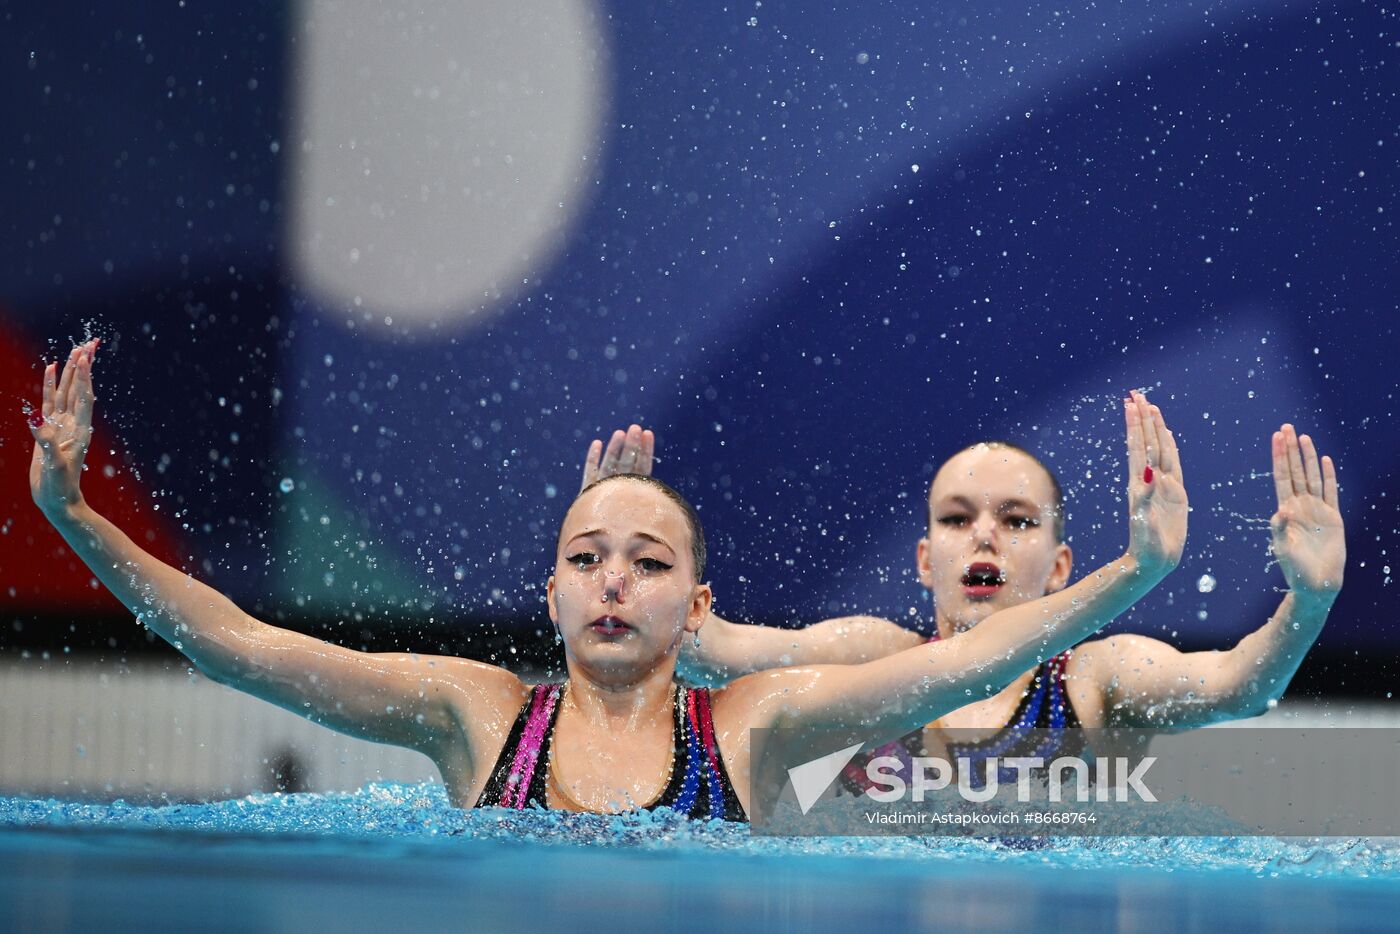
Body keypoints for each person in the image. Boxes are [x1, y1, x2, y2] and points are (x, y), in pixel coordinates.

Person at [30, 340, 1187, 819]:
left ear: (695, 609)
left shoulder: (750, 724)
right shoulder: (476, 716)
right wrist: (76, 519)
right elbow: (246, 645)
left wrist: (1137, 569)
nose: (610, 583)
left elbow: (964, 660)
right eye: (584, 560)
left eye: (644, 562)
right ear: (549, 594)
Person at [583, 405, 1343, 779]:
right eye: (957, 519)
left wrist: (1307, 602)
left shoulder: (1096, 680)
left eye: (1016, 521)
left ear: (1059, 567)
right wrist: (619, 558)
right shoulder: (868, 658)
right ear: (923, 558)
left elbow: (1243, 686)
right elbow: (707, 652)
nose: (983, 537)